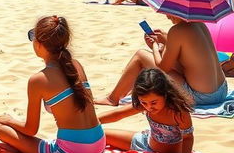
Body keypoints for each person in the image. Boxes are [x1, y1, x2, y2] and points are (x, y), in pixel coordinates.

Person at [0, 15, 106, 153]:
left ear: (39, 44)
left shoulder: (38, 80)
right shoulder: (76, 65)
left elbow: (31, 129)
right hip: (99, 146)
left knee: (1, 129)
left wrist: (9, 120)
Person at [95, 14, 228, 107]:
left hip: (200, 97)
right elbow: (185, 62)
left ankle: (112, 99)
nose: (167, 16)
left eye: (169, 12)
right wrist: (165, 42)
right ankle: (125, 91)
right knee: (154, 58)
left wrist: (154, 47)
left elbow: (163, 67)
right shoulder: (200, 24)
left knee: (141, 55)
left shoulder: (177, 30)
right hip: (221, 91)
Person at [99, 68, 194, 153]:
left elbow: (188, 138)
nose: (149, 107)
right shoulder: (143, 106)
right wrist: (95, 121)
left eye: (154, 102)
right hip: (144, 144)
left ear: (165, 94)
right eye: (144, 102)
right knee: (100, 133)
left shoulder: (178, 112)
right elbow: (118, 114)